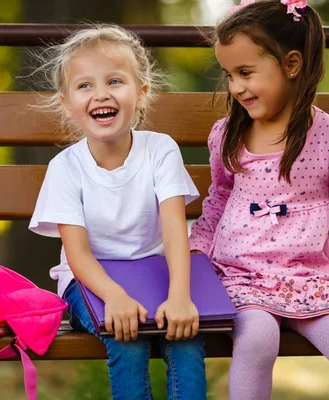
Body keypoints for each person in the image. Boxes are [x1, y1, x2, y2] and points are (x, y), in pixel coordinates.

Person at [188, 1, 329, 399]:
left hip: (312, 277)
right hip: (241, 275)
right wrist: (197, 260)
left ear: (292, 64)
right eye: (229, 75)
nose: (235, 87)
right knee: (257, 341)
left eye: (246, 73)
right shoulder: (228, 134)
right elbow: (218, 201)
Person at [28, 25, 207, 400]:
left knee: (188, 342)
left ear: (142, 94)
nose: (101, 94)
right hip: (91, 283)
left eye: (114, 81)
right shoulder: (65, 167)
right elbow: (76, 254)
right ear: (67, 104)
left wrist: (179, 296)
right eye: (85, 86)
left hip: (157, 274)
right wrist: (114, 296)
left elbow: (175, 229)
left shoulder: (161, 150)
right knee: (127, 338)